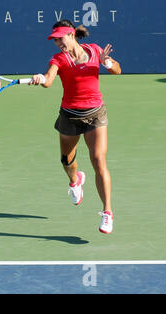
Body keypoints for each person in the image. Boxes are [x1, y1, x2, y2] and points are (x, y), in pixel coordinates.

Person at [29, 20, 121, 234]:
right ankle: (75, 180)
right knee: (67, 160)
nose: (58, 43)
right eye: (55, 40)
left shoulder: (95, 51)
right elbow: (49, 80)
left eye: (61, 38)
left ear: (71, 34)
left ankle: (107, 213)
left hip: (95, 113)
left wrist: (107, 63)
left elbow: (117, 70)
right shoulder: (59, 59)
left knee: (98, 160)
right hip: (70, 115)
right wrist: (41, 78)